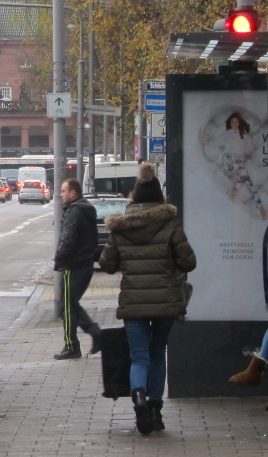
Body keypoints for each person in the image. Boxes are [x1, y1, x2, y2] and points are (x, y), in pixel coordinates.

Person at [99, 162, 197, 435]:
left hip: (134, 303)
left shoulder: (121, 227)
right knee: (157, 353)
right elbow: (189, 262)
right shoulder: (170, 223)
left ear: (134, 195)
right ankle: (155, 409)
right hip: (165, 301)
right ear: (159, 196)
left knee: (139, 356)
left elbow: (107, 264)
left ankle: (138, 395)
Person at [53, 178, 103, 360]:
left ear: (73, 193)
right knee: (70, 305)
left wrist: (59, 259)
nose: (61, 194)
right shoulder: (85, 209)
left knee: (66, 307)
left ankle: (73, 344)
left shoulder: (74, 212)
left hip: (73, 266)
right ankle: (85, 337)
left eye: (64, 191)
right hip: (85, 264)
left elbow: (68, 239)